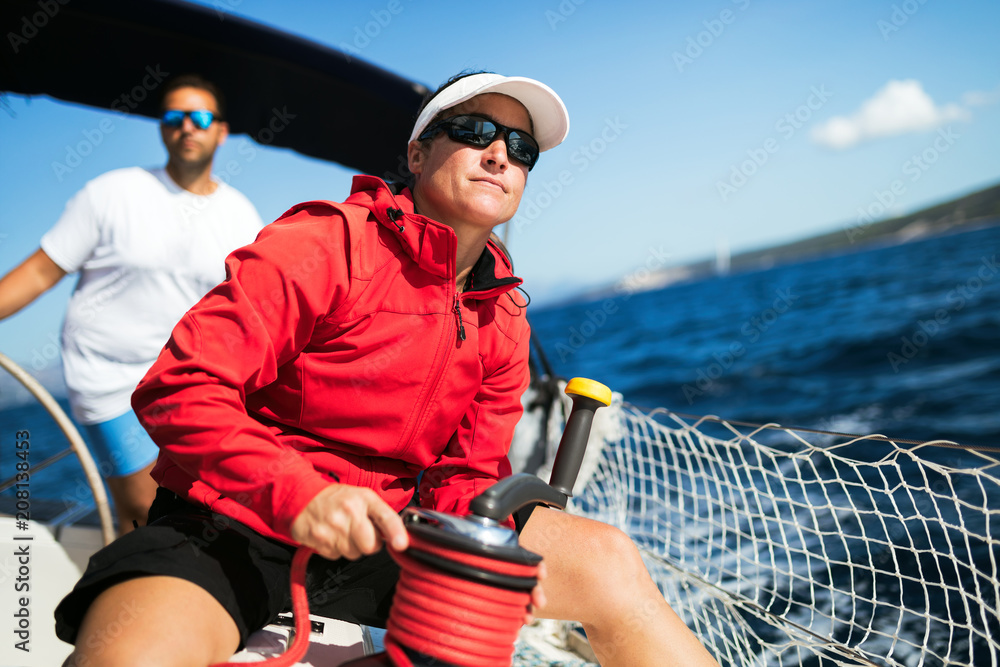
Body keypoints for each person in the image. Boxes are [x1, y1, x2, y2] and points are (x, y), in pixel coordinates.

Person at [54, 71, 719, 667]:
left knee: (607, 561)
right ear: (416, 154)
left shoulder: (504, 313)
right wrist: (301, 495)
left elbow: (467, 477)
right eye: (475, 131)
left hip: (400, 540)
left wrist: (489, 563)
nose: (500, 154)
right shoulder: (325, 243)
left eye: (521, 149)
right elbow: (180, 386)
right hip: (233, 526)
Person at [0, 74, 264, 535]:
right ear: (162, 128)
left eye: (200, 117)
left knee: (195, 506)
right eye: (174, 117)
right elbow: (42, 271)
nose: (187, 126)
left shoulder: (240, 213)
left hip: (190, 379)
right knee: (145, 507)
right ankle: (119, 595)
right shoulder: (112, 193)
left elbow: (253, 308)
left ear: (221, 131)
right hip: (108, 379)